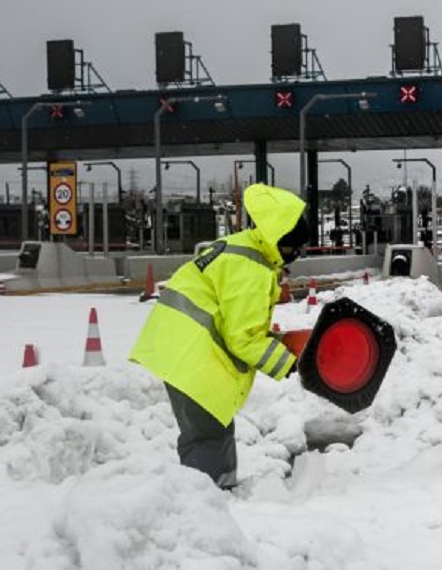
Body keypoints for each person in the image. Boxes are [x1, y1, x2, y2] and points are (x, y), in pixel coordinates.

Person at [129, 183, 311, 488]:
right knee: (208, 435)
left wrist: (281, 345)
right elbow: (243, 338)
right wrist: (289, 364)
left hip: (182, 350)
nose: (296, 255)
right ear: (280, 240)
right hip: (193, 358)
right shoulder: (251, 269)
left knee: (212, 430)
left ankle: (214, 493)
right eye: (294, 248)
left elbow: (236, 325)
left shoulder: (240, 248)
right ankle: (207, 501)